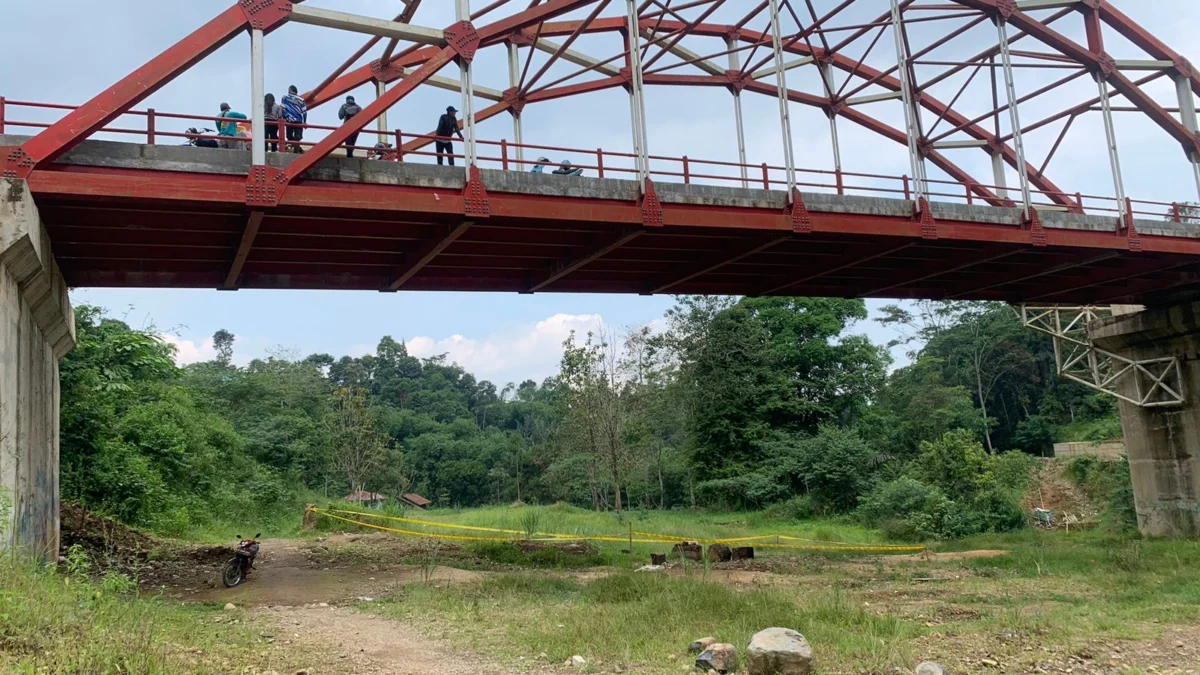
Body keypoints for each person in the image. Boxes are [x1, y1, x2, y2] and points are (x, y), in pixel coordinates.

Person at [281, 85, 308, 153]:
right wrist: (304, 122)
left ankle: (298, 150)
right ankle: (298, 151)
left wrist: (285, 116)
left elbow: (282, 109)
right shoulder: (301, 100)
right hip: (298, 120)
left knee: (289, 136)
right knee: (297, 137)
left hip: (289, 120)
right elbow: (304, 111)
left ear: (290, 90)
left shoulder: (285, 97)